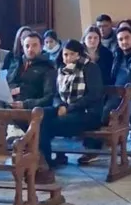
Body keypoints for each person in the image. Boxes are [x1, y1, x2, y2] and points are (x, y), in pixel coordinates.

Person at [39, 40, 104, 179]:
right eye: (65, 54)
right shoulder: (62, 70)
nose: (67, 58)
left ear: (79, 54)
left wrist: (69, 108)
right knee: (41, 117)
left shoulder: (90, 68)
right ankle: (44, 159)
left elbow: (94, 95)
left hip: (88, 114)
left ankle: (45, 164)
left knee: (46, 124)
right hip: (67, 110)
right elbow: (56, 95)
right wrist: (60, 106)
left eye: (71, 54)